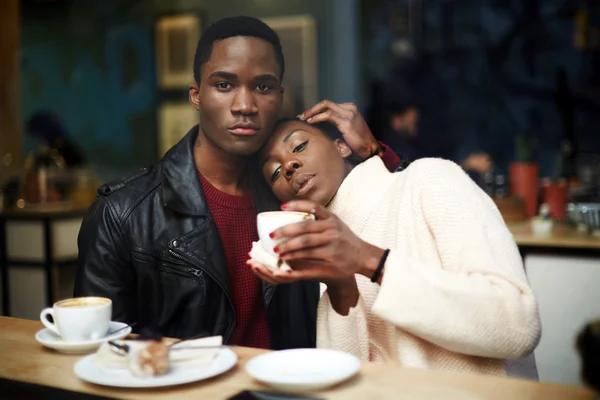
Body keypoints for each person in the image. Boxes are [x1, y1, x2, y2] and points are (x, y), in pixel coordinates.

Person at [74, 16, 402, 348]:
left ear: (279, 95)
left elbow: (391, 221)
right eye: (224, 85)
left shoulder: (292, 192)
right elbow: (102, 352)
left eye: (262, 87)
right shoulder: (122, 214)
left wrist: (372, 151)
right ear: (196, 95)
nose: (245, 106)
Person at [248, 117, 541, 376]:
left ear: (341, 147)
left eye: (298, 147)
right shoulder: (329, 254)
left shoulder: (429, 179)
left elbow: (517, 325)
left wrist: (372, 261)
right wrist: (339, 287)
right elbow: (350, 381)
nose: (288, 166)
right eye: (274, 172)